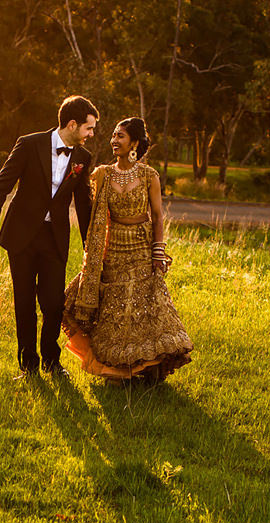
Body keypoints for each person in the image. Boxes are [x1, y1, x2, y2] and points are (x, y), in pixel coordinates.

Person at [62, 117, 192, 383]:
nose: (114, 140)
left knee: (143, 306)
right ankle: (116, 369)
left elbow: (157, 216)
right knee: (115, 310)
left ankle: (147, 368)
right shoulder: (103, 174)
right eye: (112, 135)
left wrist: (158, 252)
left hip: (141, 247)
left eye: (120, 136)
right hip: (113, 246)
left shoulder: (149, 176)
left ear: (134, 142)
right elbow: (90, 209)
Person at [0, 95, 99, 376]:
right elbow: (1, 187)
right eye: (89, 128)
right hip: (21, 236)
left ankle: (51, 361)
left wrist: (89, 247)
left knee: (53, 304)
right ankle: (28, 365)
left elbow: (83, 206)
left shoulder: (83, 158)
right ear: (73, 124)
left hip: (54, 239)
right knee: (24, 303)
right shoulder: (29, 143)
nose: (91, 135)